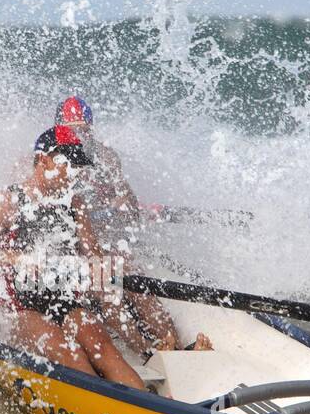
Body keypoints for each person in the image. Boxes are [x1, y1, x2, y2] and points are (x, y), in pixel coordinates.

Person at [0, 126, 145, 389]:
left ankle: (146, 409)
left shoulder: (74, 205)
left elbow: (93, 256)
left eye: (77, 164)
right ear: (44, 160)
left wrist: (104, 271)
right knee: (71, 356)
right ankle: (97, 407)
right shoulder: (9, 200)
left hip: (63, 298)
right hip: (20, 308)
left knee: (103, 349)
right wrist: (17, 259)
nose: (74, 172)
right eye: (68, 163)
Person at [45, 97, 209, 355]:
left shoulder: (106, 158)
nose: (79, 136)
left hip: (102, 244)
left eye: (84, 130)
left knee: (132, 272)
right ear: (59, 130)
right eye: (73, 129)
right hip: (67, 251)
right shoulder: (47, 160)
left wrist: (125, 202)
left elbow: (129, 214)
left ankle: (173, 344)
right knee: (107, 279)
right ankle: (147, 353)